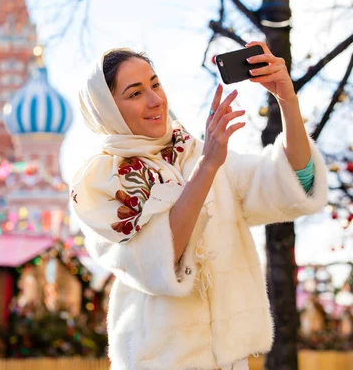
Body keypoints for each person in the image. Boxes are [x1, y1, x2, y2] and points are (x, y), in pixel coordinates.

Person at [70, 41, 328, 370]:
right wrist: (206, 167)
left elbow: (294, 184)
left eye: (155, 84)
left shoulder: (199, 153)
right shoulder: (100, 183)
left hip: (229, 362)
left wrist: (286, 99)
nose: (154, 100)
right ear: (107, 109)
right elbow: (156, 263)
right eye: (134, 93)